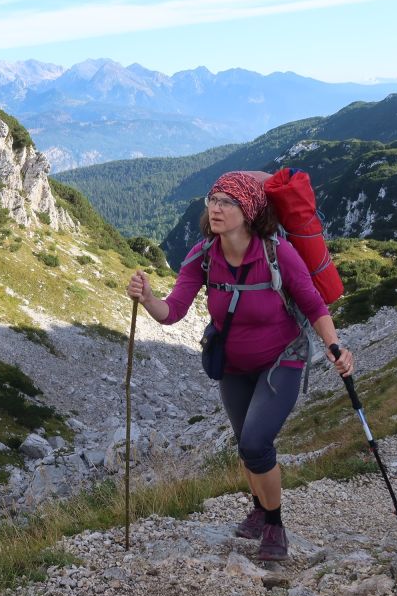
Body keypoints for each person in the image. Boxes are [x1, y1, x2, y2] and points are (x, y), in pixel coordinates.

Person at [126, 171, 353, 561]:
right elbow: (173, 311)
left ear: (247, 210)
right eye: (212, 200)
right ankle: (259, 508)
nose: (215, 208)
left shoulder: (276, 254)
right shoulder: (203, 255)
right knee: (248, 449)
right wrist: (148, 299)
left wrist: (334, 346)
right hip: (233, 365)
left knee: (255, 442)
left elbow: (314, 305)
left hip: (283, 360)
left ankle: (275, 527)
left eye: (226, 202)